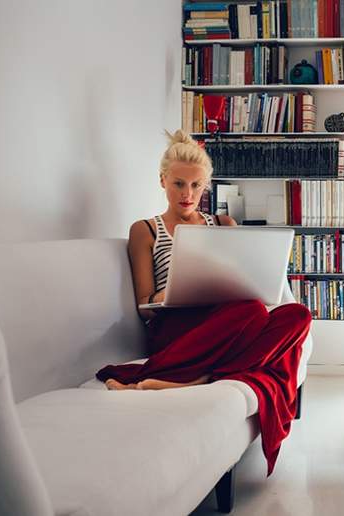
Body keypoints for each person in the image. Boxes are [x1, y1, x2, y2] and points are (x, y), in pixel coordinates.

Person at [96, 130, 311, 475]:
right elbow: (143, 304)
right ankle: (198, 371)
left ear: (206, 186)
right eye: (179, 184)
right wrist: (177, 291)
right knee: (252, 312)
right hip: (175, 328)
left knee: (296, 314)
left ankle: (203, 375)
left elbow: (244, 281)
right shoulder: (145, 230)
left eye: (196, 186)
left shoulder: (223, 224)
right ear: (162, 180)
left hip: (228, 320)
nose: (188, 194)